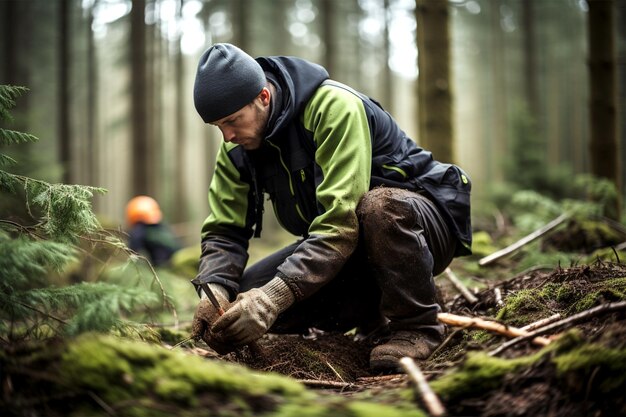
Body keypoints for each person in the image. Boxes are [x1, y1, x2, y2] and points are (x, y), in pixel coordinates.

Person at [190, 43, 472, 372]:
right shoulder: (236, 150)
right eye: (218, 127)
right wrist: (215, 290)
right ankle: (372, 309)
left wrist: (273, 298)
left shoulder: (333, 107)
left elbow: (340, 223)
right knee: (241, 303)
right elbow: (225, 230)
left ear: (263, 97)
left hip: (421, 224)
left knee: (379, 206)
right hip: (348, 245)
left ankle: (418, 326)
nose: (227, 136)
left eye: (232, 121)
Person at [125, 195, 181, 267]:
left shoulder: (139, 230)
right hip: (172, 260)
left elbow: (134, 248)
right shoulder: (162, 227)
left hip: (163, 264)